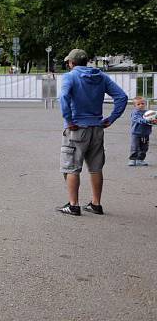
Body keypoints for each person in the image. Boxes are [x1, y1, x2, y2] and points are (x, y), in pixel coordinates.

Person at [57, 49, 128, 216]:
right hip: (97, 128)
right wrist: (111, 118)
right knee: (96, 168)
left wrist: (69, 120)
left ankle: (73, 205)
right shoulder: (101, 76)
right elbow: (122, 97)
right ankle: (96, 204)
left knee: (72, 167)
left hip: (77, 129)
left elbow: (64, 98)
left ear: (71, 63)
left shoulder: (70, 76)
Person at [129, 96, 155, 166]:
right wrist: (147, 120)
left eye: (143, 103)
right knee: (135, 147)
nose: (141, 105)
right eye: (138, 104)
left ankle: (140, 159)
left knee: (144, 147)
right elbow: (138, 119)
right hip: (136, 133)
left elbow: (153, 119)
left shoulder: (148, 113)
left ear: (145, 104)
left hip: (145, 133)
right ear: (135, 106)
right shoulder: (135, 113)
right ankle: (133, 160)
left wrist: (154, 121)